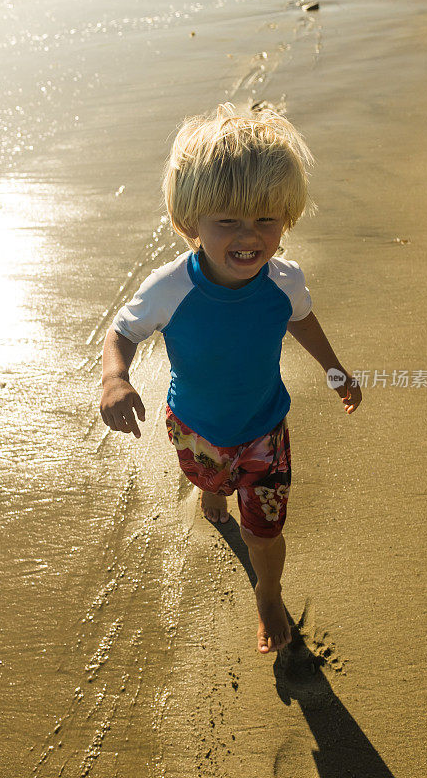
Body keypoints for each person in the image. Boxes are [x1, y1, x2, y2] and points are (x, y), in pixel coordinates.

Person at [100, 103, 362, 655]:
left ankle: (269, 593)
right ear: (190, 220)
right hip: (195, 428)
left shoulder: (284, 281)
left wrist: (335, 370)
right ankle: (215, 495)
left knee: (263, 529)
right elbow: (122, 332)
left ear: (286, 219)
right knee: (210, 485)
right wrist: (115, 379)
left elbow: (303, 320)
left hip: (266, 430)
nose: (250, 237)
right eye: (228, 221)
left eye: (266, 220)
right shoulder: (171, 287)